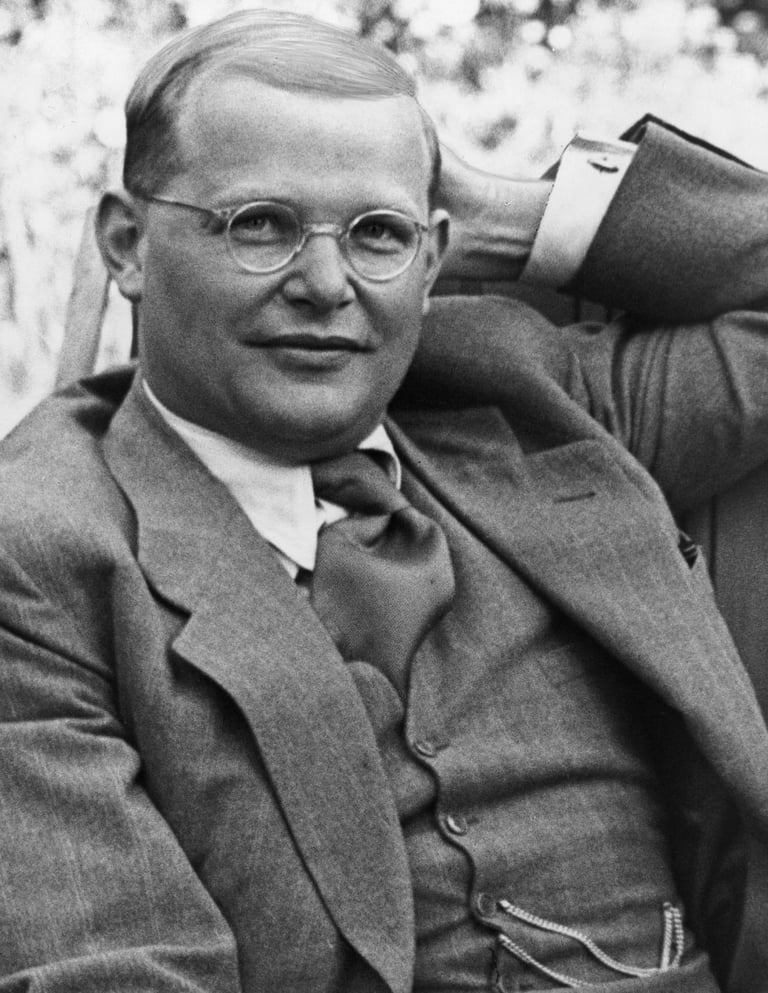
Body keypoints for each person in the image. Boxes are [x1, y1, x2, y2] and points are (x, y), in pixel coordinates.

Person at [0, 9, 767, 993]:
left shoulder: (529, 402)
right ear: (127, 243)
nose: (326, 284)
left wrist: (518, 216)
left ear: (435, 255)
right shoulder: (41, 555)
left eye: (377, 234)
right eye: (260, 224)